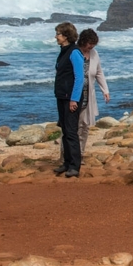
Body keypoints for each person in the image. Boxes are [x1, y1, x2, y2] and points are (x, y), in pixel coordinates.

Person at [58, 29, 110, 163]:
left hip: (89, 94)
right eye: (89, 43)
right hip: (75, 95)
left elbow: (99, 72)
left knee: (85, 125)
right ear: (83, 41)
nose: (91, 46)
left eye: (94, 44)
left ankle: (80, 154)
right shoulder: (75, 52)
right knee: (71, 127)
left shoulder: (94, 54)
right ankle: (66, 156)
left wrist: (105, 90)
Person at [52, 22, 83, 178]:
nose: (56, 36)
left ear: (65, 36)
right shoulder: (63, 51)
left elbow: (79, 77)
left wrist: (74, 99)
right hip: (61, 96)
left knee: (71, 132)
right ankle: (67, 162)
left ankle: (74, 166)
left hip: (70, 98)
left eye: (58, 34)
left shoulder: (74, 52)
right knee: (65, 131)